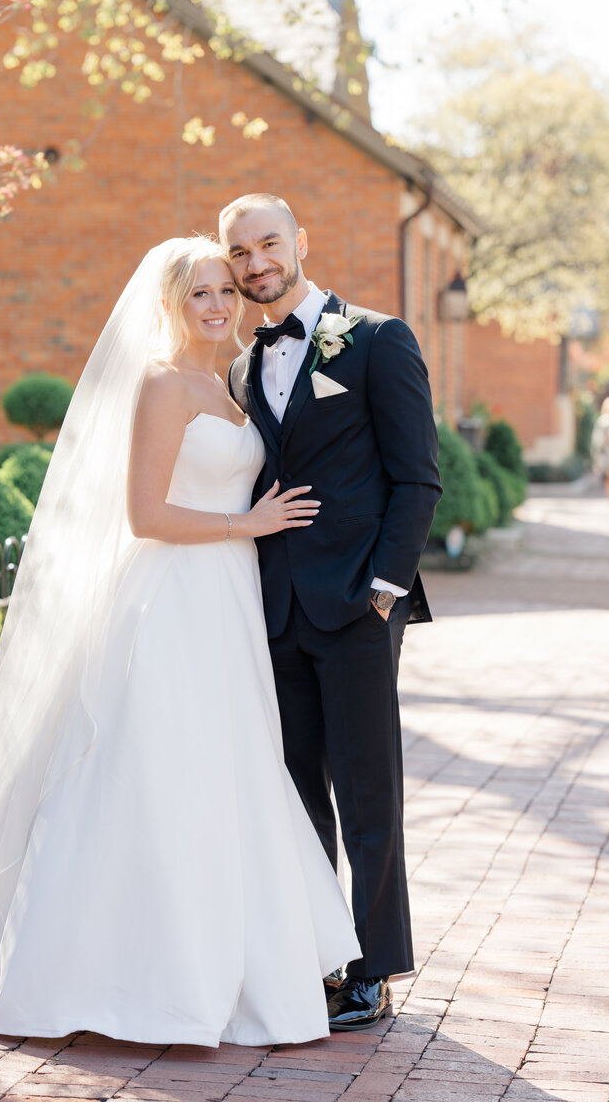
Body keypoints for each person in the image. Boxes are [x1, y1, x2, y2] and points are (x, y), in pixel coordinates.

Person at [0, 237, 360, 1046]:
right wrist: (244, 523)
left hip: (229, 603)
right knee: (150, 772)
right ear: (170, 305)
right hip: (173, 598)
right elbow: (146, 515)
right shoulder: (159, 386)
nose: (218, 305)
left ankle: (236, 965)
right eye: (199, 295)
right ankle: (123, 975)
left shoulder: (231, 384)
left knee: (227, 772)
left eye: (225, 291)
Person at [222, 194, 442, 1031]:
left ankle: (376, 967)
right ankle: (321, 951)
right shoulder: (243, 369)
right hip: (272, 610)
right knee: (297, 795)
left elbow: (417, 476)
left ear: (299, 243)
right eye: (239, 252)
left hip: (356, 608)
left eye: (268, 244)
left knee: (366, 794)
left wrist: (385, 590)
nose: (255, 264)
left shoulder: (378, 340)